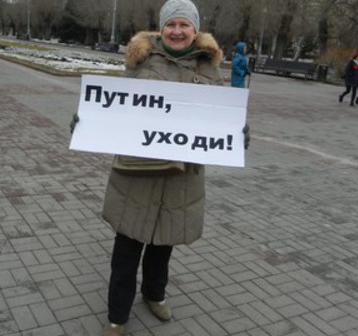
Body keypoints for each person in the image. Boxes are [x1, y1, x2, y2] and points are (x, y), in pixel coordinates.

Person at [71, 1, 250, 335]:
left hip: (180, 178)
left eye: (185, 25)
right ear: (162, 27)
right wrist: (87, 120)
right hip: (137, 175)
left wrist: (237, 133)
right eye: (172, 25)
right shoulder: (141, 60)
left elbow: (219, 118)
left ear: (195, 31)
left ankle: (154, 295)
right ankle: (117, 316)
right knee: (127, 249)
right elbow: (116, 107)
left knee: (162, 246)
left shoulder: (208, 68)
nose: (178, 31)